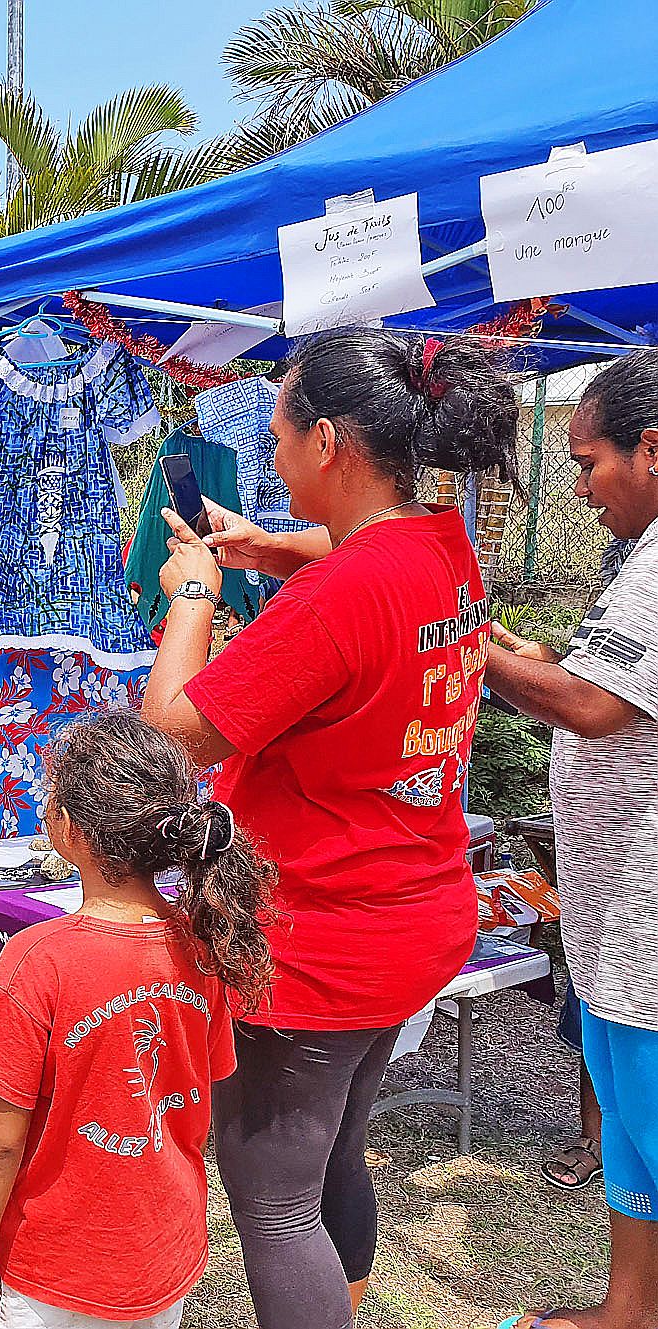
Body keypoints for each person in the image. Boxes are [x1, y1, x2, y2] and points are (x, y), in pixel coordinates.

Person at [139, 328, 519, 1329]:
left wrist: (189, 599)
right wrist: (277, 548)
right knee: (331, 1154)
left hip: (316, 939)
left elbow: (171, 737)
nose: (265, 460)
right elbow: (364, 556)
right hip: (408, 916)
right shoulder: (441, 542)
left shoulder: (335, 598)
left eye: (272, 435)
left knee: (269, 1197)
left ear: (324, 444)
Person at [0, 711, 274, 1329]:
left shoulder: (39, 959)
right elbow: (201, 1088)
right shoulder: (205, 945)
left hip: (53, 1265)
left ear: (68, 830)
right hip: (162, 1249)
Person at [485, 349, 658, 1329]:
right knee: (630, 1147)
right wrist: (513, 649)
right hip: (611, 923)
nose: (581, 489)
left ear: (649, 447)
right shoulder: (635, 555)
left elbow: (591, 706)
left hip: (642, 926)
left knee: (644, 1119)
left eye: (586, 464)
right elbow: (598, 674)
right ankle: (625, 1310)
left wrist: (457, 644)